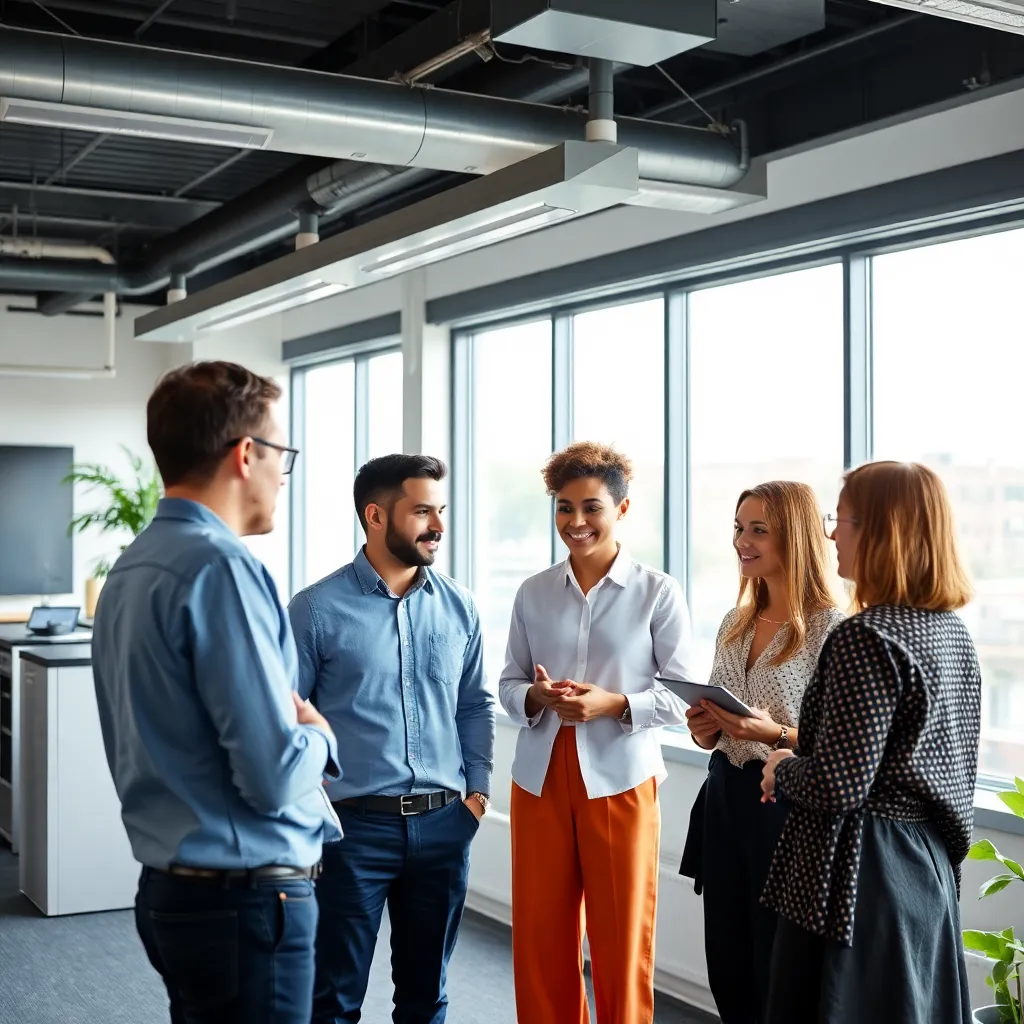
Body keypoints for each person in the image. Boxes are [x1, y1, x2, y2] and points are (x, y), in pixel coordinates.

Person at [91, 361, 340, 1024]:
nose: (283, 472)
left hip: (178, 893)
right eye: (282, 452)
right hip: (247, 902)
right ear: (246, 453)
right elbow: (271, 774)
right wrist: (318, 734)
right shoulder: (221, 568)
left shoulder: (134, 565)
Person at [760, 461, 982, 1024]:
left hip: (857, 880)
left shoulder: (866, 636)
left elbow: (837, 785)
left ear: (885, 531)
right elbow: (955, 775)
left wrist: (782, 767)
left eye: (845, 519)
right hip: (924, 872)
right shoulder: (952, 633)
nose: (832, 533)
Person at [288, 453, 495, 1024]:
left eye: (441, 510)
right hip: (351, 830)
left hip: (444, 824)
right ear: (375, 515)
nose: (439, 526)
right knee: (333, 997)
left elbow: (474, 705)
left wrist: (475, 795)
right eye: (423, 511)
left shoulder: (461, 606)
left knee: (427, 997)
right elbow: (287, 720)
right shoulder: (314, 610)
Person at [498, 441, 693, 1024]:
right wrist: (534, 695)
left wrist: (614, 704)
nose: (575, 522)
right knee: (540, 939)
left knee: (621, 940)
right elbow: (508, 685)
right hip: (539, 780)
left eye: (591, 507)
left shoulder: (657, 592)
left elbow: (684, 699)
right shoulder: (532, 592)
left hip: (621, 782)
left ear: (622, 509)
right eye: (563, 508)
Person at [680, 481, 844, 1024]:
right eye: (737, 527)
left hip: (784, 808)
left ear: (794, 538)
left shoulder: (832, 629)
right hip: (725, 797)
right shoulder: (736, 621)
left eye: (757, 530)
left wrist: (771, 734)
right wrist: (706, 728)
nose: (741, 541)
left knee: (778, 965)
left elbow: (838, 743)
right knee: (726, 957)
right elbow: (718, 725)